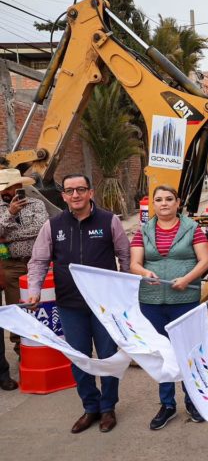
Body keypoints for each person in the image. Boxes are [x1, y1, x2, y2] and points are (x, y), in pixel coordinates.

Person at [26, 174, 130, 433]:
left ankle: (108, 408)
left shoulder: (109, 221)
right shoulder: (53, 226)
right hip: (70, 305)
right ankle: (90, 407)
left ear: (90, 193)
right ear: (63, 196)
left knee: (107, 356)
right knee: (79, 358)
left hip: (105, 305)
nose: (75, 195)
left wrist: (125, 291)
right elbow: (38, 261)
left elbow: (125, 256)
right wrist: (34, 290)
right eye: (70, 190)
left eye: (81, 189)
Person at [129, 185, 208, 430]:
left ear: (178, 203)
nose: (164, 203)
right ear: (153, 204)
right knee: (162, 353)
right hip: (151, 301)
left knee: (187, 352)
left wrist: (187, 279)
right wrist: (145, 273)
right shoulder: (143, 231)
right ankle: (167, 404)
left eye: (168, 199)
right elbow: (134, 263)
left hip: (184, 300)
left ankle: (192, 400)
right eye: (159, 200)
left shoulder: (192, 228)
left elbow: (205, 260)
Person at [0, 168, 49, 391]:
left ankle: (44, 345)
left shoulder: (36, 204)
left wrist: (8, 236)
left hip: (36, 263)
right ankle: (22, 350)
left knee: (39, 306)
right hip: (10, 265)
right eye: (5, 188)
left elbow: (41, 228)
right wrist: (9, 214)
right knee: (17, 310)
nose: (9, 191)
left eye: (12, 187)